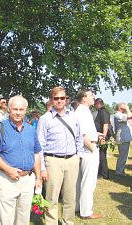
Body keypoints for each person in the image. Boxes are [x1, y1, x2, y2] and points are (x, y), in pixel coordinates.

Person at [0, 95, 42, 225]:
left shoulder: (31, 130)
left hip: (27, 180)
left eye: (21, 109)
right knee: (6, 220)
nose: (18, 112)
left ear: (25, 110)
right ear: (9, 109)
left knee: (23, 219)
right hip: (7, 180)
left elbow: (36, 154)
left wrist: (38, 178)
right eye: (14, 109)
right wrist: (9, 170)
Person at [37, 86, 83, 225]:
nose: (59, 101)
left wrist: (78, 156)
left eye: (62, 98)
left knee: (70, 197)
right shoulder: (45, 119)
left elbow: (79, 138)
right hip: (53, 160)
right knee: (52, 197)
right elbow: (40, 146)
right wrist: (43, 168)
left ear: (66, 99)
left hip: (72, 160)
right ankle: (51, 222)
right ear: (51, 100)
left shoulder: (73, 116)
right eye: (56, 98)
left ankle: (68, 222)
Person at [75, 90, 103, 219]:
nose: (93, 98)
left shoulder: (83, 111)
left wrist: (96, 134)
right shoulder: (82, 112)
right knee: (88, 181)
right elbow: (82, 134)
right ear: (84, 98)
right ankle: (86, 211)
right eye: (91, 95)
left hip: (86, 147)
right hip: (87, 149)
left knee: (80, 179)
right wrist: (92, 148)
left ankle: (78, 207)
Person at [94, 98, 111, 179]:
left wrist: (103, 136)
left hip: (102, 136)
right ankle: (101, 172)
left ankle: (104, 174)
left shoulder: (103, 112)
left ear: (98, 103)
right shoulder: (100, 112)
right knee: (100, 155)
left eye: (95, 104)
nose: (94, 106)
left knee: (102, 155)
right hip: (100, 135)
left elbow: (105, 124)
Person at [114, 103, 132, 176]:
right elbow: (130, 116)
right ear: (119, 107)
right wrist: (128, 109)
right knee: (122, 155)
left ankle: (121, 170)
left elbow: (130, 117)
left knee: (124, 155)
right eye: (123, 105)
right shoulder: (117, 114)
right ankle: (119, 172)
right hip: (122, 138)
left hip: (124, 138)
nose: (125, 105)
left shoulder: (121, 114)